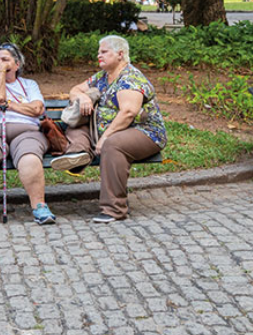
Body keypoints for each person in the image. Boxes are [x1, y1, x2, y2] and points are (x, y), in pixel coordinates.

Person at [50, 35, 166, 223]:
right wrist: (83, 97)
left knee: (113, 146)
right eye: (98, 52)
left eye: (104, 52)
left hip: (144, 132)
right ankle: (77, 154)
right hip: (106, 130)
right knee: (76, 124)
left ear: (120, 54)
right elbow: (74, 89)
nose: (99, 55)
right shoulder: (102, 77)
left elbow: (128, 112)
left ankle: (114, 209)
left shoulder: (130, 78)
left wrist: (105, 138)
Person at [0, 42, 56, 229]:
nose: (0, 64)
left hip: (26, 132)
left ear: (17, 64)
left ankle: (39, 207)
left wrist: (11, 105)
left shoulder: (30, 85)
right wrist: (0, 76)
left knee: (29, 157)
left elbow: (37, 109)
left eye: (5, 60)